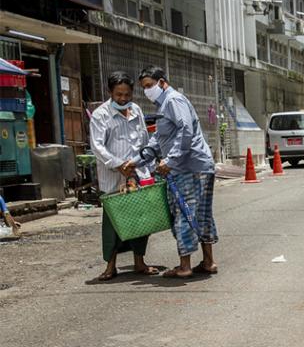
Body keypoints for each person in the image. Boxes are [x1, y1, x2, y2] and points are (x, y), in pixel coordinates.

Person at [134, 66, 218, 280]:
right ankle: (208, 262)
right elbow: (160, 138)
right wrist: (138, 160)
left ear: (162, 82)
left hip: (189, 167)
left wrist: (170, 160)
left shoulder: (173, 100)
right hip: (195, 165)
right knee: (201, 214)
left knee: (184, 213)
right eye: (144, 88)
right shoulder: (164, 105)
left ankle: (184, 266)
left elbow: (185, 130)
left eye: (149, 86)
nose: (147, 91)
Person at [88, 72, 161, 282]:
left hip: (137, 174)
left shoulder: (136, 110)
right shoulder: (101, 115)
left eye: (127, 94)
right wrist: (118, 165)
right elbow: (98, 146)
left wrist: (145, 164)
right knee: (112, 223)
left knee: (141, 219)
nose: (123, 98)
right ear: (110, 92)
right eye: (118, 94)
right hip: (113, 177)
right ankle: (110, 266)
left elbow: (144, 140)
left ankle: (139, 261)